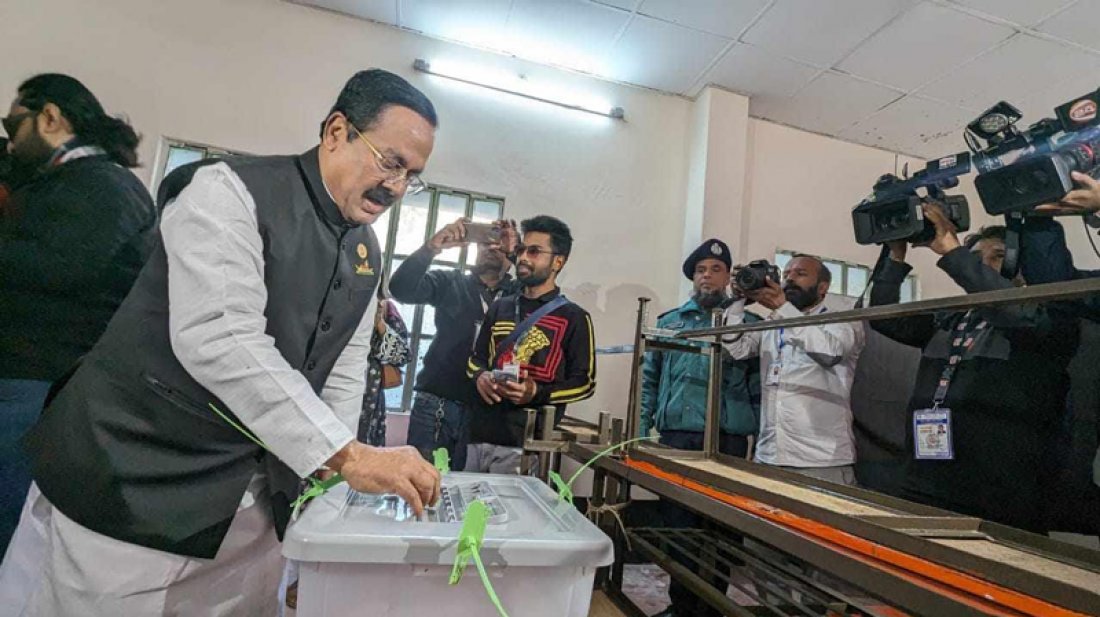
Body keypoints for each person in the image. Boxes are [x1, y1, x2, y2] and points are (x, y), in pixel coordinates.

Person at [0, 69, 441, 616]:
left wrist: (323, 495)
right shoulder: (230, 191)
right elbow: (218, 336)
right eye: (390, 162)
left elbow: (343, 376)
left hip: (245, 506)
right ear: (336, 132)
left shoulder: (365, 251)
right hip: (138, 473)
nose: (396, 187)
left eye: (412, 176)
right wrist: (346, 455)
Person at [0, 74, 155, 556]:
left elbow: (63, 269)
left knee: (10, 522)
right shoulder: (69, 183)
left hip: (41, 383)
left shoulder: (103, 186)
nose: (10, 140)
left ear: (50, 117)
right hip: (32, 379)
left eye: (13, 124)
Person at [868, 204, 1078, 531]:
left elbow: (1011, 311)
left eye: (997, 256)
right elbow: (883, 318)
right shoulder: (951, 319)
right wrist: (895, 256)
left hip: (999, 496)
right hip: (925, 481)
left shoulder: (1045, 322)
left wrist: (953, 252)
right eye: (976, 256)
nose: (983, 263)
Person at [640, 238, 760, 617]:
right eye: (700, 270)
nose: (707, 276)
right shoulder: (670, 323)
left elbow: (759, 388)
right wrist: (641, 432)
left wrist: (757, 439)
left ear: (728, 277)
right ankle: (681, 607)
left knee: (720, 530)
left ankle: (712, 608)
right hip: (678, 437)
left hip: (727, 441)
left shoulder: (748, 326)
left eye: (715, 270)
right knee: (678, 526)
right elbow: (649, 380)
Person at [466, 215, 596, 473]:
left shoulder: (574, 317)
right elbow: (475, 360)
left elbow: (585, 383)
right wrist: (480, 376)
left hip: (526, 444)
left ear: (558, 261)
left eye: (534, 251)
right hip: (478, 435)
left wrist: (537, 392)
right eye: (522, 249)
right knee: (464, 499)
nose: (523, 257)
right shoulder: (500, 307)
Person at [722, 254, 865, 485]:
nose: (790, 279)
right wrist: (738, 301)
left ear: (822, 287)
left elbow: (830, 353)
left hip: (820, 460)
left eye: (800, 274)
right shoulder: (774, 321)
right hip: (769, 455)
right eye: (787, 273)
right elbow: (736, 349)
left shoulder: (841, 320)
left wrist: (783, 308)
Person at [389, 218, 518, 470]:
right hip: (436, 405)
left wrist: (515, 253)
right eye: (485, 241)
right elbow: (400, 289)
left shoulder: (518, 295)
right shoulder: (451, 282)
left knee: (471, 489)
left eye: (499, 243)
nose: (491, 247)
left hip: (487, 414)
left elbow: (546, 300)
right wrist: (431, 248)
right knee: (422, 481)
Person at [358, 293, 411, 447]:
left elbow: (404, 355)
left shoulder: (385, 308)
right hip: (331, 391)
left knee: (365, 450)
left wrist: (380, 323)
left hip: (369, 400)